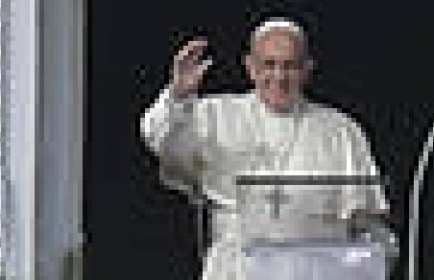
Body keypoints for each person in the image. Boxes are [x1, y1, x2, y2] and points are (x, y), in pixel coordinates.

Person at [140, 18, 391, 280]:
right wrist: (179, 96)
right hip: (236, 270)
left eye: (290, 66)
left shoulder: (341, 131)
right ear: (250, 67)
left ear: (307, 69)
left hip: (318, 272)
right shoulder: (215, 115)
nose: (279, 77)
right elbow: (159, 139)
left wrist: (374, 262)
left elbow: (367, 225)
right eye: (268, 65)